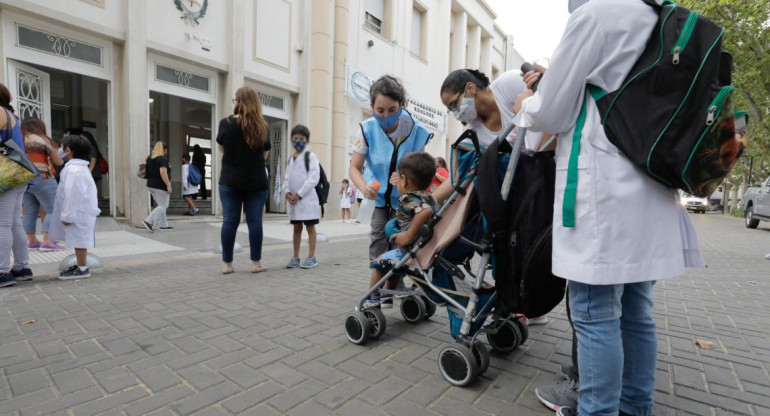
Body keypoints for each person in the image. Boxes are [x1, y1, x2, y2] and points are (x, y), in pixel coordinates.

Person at [511, 1, 704, 415]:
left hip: (604, 187)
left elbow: (552, 110)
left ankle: (597, 410)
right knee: (637, 309)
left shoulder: (595, 14)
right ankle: (637, 408)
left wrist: (528, 100)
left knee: (594, 310)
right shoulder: (660, 13)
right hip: (651, 182)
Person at [348, 75, 433, 308]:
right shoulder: (366, 130)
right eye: (380, 110)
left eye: (392, 109)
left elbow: (420, 168)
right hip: (378, 200)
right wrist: (362, 185)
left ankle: (390, 289)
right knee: (378, 240)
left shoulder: (416, 130)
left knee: (402, 245)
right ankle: (377, 290)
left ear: (401, 105)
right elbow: (354, 167)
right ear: (372, 108)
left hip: (405, 203)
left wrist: (407, 180)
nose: (386, 116)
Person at [365, 152, 436, 307]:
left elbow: (424, 212)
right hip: (422, 248)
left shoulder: (408, 198)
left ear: (403, 180)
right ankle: (386, 296)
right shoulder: (430, 198)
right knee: (394, 265)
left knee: (379, 263)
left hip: (409, 248)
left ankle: (371, 299)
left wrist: (408, 236)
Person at [217, 86, 271, 274]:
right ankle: (256, 264)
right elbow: (265, 154)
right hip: (256, 182)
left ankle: (227, 265)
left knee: (229, 221)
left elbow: (222, 149)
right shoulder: (262, 126)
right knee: (255, 222)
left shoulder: (226, 123)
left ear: (239, 102)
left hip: (230, 181)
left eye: (236, 100)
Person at [439, 68, 547, 150]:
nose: (455, 112)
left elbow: (548, 108)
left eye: (454, 104)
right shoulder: (474, 135)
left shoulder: (509, 83)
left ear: (470, 89)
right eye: (450, 109)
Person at [48, 135, 100, 280]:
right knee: (80, 239)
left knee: (80, 240)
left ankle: (82, 269)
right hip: (82, 210)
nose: (59, 150)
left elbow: (72, 194)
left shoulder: (74, 170)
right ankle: (81, 266)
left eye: (61, 147)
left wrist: (67, 216)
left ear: (68, 150)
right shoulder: (79, 168)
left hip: (78, 211)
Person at [0, 82, 31, 287]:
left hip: (5, 175)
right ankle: (21, 267)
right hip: (17, 174)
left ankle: (2, 272)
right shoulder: (12, 116)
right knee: (13, 223)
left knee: (2, 224)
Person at [21, 118, 65, 251]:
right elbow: (58, 162)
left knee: (29, 211)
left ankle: (32, 242)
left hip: (23, 180)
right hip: (42, 177)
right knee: (53, 209)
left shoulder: (20, 140)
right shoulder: (43, 139)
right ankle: (47, 240)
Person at [283, 124, 320, 269]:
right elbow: (287, 177)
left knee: (310, 227)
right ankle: (295, 256)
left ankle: (312, 257)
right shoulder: (290, 159)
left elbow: (313, 178)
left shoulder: (310, 156)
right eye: (295, 138)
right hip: (293, 201)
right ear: (292, 139)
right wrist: (287, 192)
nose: (298, 141)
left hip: (307, 200)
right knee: (296, 228)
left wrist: (299, 194)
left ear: (307, 140)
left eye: (301, 139)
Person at [142, 141, 173, 232]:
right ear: (164, 150)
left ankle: (164, 225)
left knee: (161, 205)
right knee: (164, 205)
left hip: (150, 184)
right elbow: (163, 172)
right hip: (160, 185)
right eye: (166, 150)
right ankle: (148, 221)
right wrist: (168, 184)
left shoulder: (149, 158)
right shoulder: (162, 159)